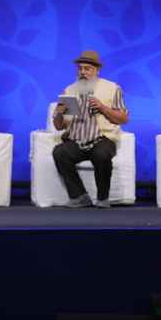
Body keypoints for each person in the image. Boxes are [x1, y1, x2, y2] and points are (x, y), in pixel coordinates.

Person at [51, 50, 128, 209]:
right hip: (76, 139)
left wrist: (102, 107)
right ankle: (79, 196)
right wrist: (59, 113)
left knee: (101, 154)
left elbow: (123, 119)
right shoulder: (70, 90)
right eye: (80, 69)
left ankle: (102, 198)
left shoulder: (112, 88)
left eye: (87, 69)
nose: (83, 72)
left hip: (102, 138)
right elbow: (59, 126)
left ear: (97, 70)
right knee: (59, 152)